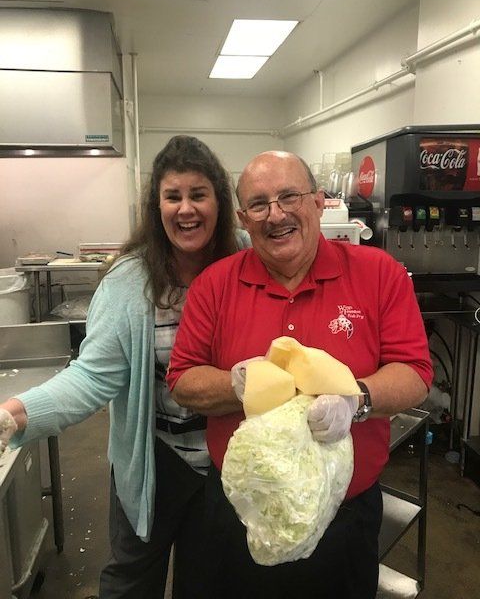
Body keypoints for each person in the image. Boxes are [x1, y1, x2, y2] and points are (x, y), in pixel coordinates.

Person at [166, 150, 433, 599]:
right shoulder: (214, 284)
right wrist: (235, 384)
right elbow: (182, 379)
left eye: (290, 196)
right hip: (240, 512)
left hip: (343, 517)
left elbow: (415, 371)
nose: (276, 215)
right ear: (242, 218)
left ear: (318, 202)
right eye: (258, 204)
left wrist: (357, 400)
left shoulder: (378, 274)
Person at [0, 135, 249, 599]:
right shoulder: (130, 280)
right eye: (172, 196)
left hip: (232, 458)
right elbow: (91, 377)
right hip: (156, 459)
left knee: (212, 579)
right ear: (156, 207)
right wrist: (14, 413)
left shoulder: (247, 262)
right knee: (133, 579)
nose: (186, 209)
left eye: (198, 194)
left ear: (220, 200)